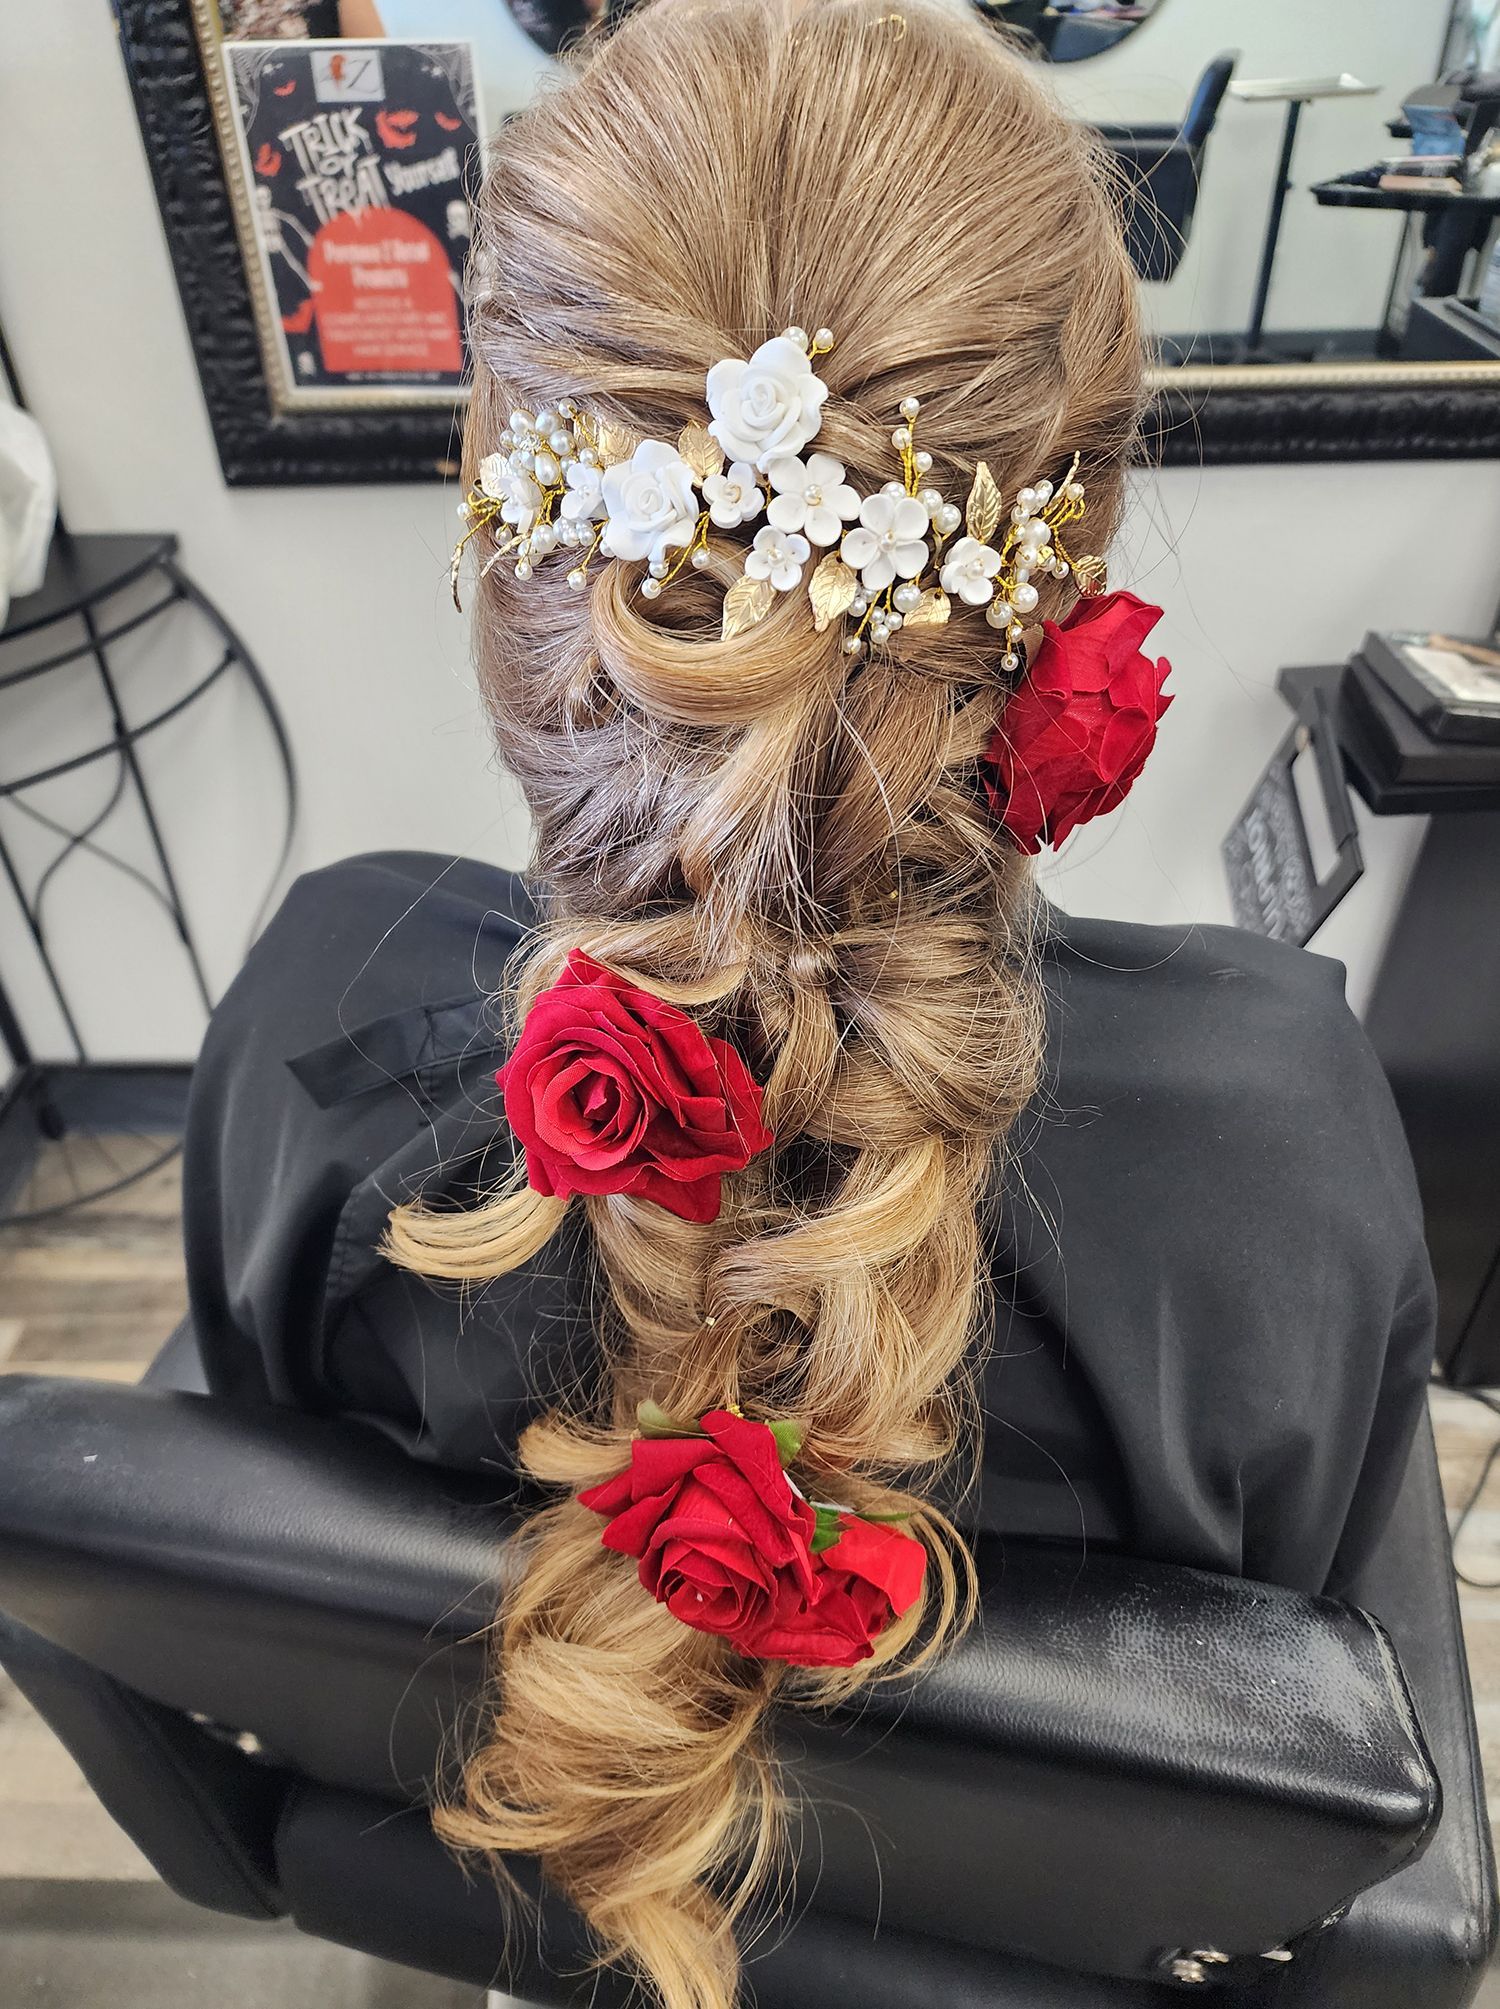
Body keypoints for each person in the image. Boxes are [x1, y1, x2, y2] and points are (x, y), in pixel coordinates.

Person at [181, 4, 1436, 2006]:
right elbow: (1326, 1734)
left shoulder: (312, 1032)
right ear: (1065, 590)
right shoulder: (1272, 1137)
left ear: (511, 542)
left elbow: (235, 1561)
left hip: (527, 1899)